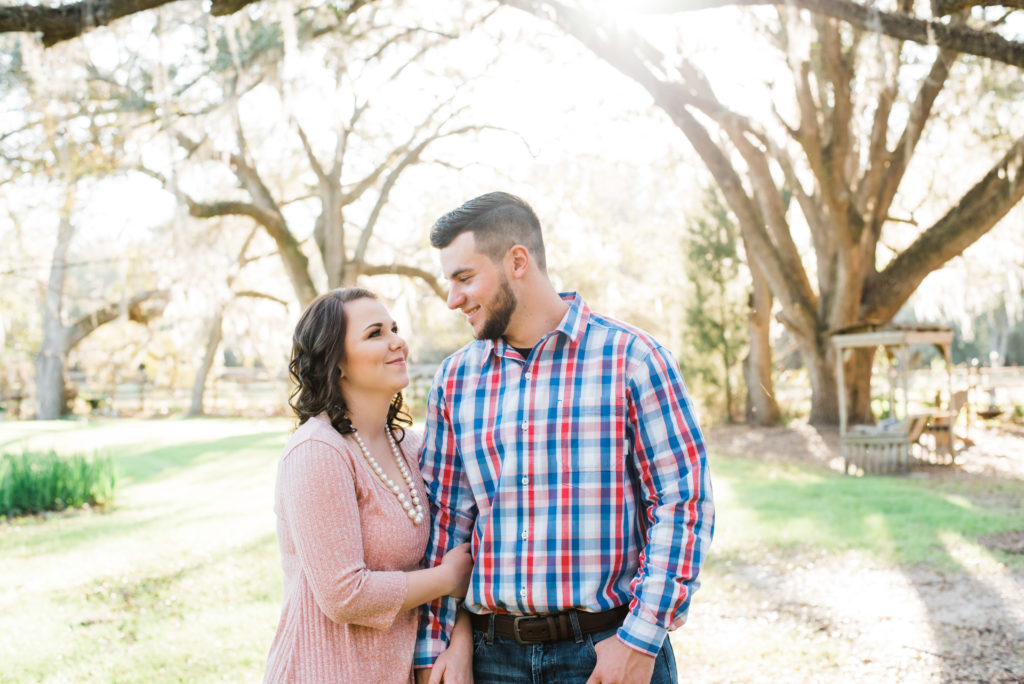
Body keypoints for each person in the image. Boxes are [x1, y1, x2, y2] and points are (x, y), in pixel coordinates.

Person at [414, 192, 715, 684]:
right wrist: (440, 648)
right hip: (491, 662)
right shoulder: (454, 381)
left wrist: (639, 641)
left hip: (607, 653)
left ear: (517, 262)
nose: (453, 298)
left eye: (464, 278)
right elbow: (446, 525)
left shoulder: (634, 360)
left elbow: (683, 503)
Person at [264, 287, 474, 683]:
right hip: (323, 671)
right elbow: (344, 595)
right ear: (337, 362)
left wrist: (460, 634)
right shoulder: (317, 451)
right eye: (376, 333)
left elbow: (454, 544)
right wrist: (448, 579)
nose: (398, 342)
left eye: (394, 328)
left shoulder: (412, 448)